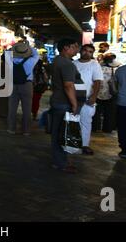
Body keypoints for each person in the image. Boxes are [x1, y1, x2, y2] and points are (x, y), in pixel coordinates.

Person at [50, 38, 81, 173]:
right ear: (66, 48)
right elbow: (68, 85)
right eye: (74, 46)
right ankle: (61, 163)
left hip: (58, 101)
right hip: (63, 102)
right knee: (61, 134)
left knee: (59, 133)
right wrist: (74, 104)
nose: (76, 49)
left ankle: (61, 161)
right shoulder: (67, 64)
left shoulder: (57, 60)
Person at [74, 44, 103, 155]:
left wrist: (94, 96)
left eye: (90, 51)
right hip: (73, 97)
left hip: (87, 98)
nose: (87, 53)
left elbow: (97, 82)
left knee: (86, 122)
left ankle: (85, 145)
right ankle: (72, 142)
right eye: (85, 50)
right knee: (73, 121)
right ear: (81, 51)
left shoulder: (94, 65)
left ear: (92, 54)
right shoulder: (73, 64)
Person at [7, 41, 39, 135]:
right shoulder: (31, 61)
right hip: (27, 85)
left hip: (13, 84)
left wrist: (15, 47)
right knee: (27, 109)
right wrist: (28, 47)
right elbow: (36, 54)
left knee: (12, 108)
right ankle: (26, 130)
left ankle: (11, 129)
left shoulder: (10, 60)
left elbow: (7, 52)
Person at [93, 53, 120, 133]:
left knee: (96, 112)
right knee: (109, 113)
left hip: (98, 92)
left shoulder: (98, 68)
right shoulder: (114, 70)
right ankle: (107, 128)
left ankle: (95, 127)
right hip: (110, 93)